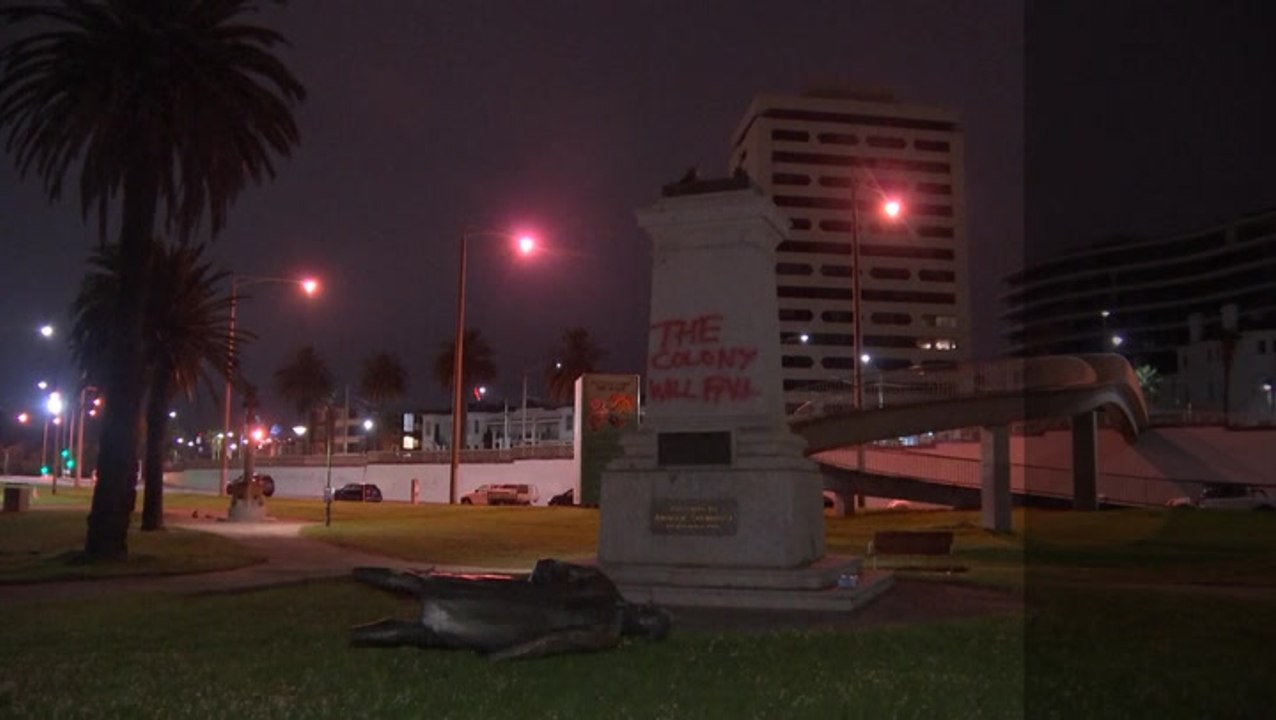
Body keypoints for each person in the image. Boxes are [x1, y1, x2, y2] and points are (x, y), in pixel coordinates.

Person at [350, 559, 670, 661]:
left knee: (421, 615)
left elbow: (554, 643)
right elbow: (556, 569)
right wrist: (506, 653)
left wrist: (509, 653)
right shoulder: (605, 621)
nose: (642, 615)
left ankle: (357, 630)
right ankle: (358, 582)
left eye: (647, 618)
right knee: (421, 600)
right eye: (648, 613)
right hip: (505, 614)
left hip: (508, 611)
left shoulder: (605, 626)